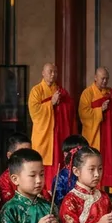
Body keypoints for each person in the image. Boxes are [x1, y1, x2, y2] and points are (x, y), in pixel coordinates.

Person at [28, 63, 75, 192]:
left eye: (55, 72)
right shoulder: (36, 91)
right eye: (50, 71)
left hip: (59, 134)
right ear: (43, 73)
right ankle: (42, 192)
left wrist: (62, 105)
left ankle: (57, 191)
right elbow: (35, 112)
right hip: (44, 134)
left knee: (59, 162)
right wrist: (51, 104)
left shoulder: (62, 92)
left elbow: (70, 110)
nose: (53, 74)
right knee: (43, 164)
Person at [78, 67, 112, 191]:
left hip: (109, 135)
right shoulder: (87, 93)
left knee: (109, 160)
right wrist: (100, 110)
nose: (104, 81)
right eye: (102, 78)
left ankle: (110, 190)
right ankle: (93, 187)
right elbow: (83, 113)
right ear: (95, 77)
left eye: (106, 79)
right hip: (96, 133)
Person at [50, 134, 88, 210]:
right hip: (68, 211)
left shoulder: (87, 172)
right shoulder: (60, 178)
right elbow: (59, 201)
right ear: (65, 154)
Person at [0, 132, 31, 205]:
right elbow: (10, 205)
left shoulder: (34, 173)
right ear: (9, 155)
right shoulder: (4, 179)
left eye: (29, 153)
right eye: (20, 153)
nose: (26, 157)